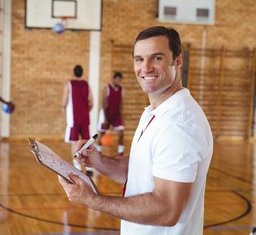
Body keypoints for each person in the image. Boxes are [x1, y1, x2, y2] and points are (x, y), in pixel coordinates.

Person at [58, 26, 213, 234]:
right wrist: (99, 161)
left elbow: (167, 210)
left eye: (156, 58)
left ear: (177, 61)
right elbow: (137, 169)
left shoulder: (179, 124)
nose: (145, 68)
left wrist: (92, 200)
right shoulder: (155, 111)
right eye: (139, 59)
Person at [61, 65, 94, 175]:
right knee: (87, 143)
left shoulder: (69, 84)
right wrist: (85, 111)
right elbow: (91, 102)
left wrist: (63, 110)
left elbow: (64, 102)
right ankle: (89, 168)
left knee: (74, 143)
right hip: (85, 117)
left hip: (73, 119)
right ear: (82, 72)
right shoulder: (87, 85)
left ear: (73, 72)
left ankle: (77, 167)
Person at [96, 72, 125, 157]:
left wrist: (121, 117)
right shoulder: (107, 88)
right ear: (114, 79)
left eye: (120, 80)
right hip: (106, 113)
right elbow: (103, 103)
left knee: (121, 133)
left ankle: (120, 153)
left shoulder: (121, 89)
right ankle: (99, 152)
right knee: (101, 134)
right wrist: (105, 118)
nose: (119, 81)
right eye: (117, 79)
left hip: (116, 115)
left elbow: (121, 104)